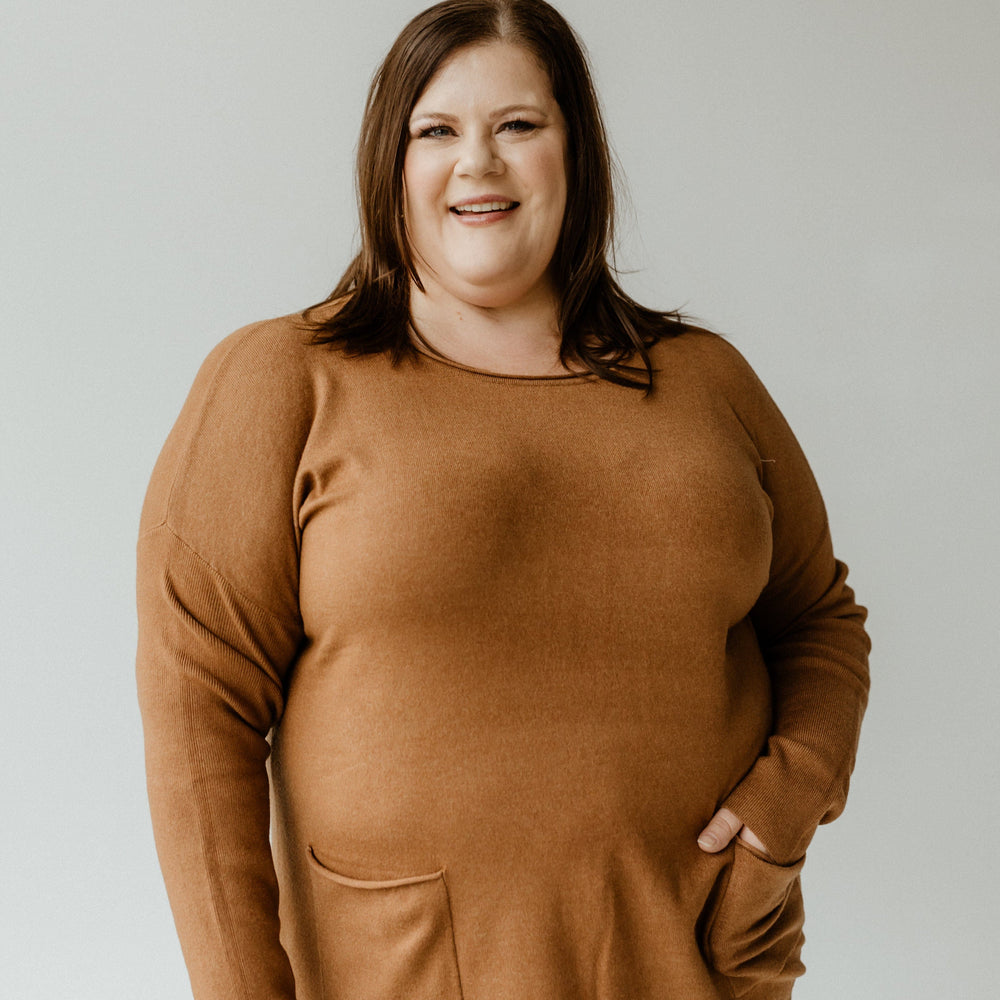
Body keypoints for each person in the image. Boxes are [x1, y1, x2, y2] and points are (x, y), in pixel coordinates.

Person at [135, 1, 870, 998]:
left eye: (517, 126)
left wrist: (789, 796)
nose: (476, 163)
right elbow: (199, 713)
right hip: (398, 972)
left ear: (576, 150)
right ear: (387, 165)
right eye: (434, 131)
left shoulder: (708, 382)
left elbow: (816, 617)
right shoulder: (282, 380)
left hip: (697, 962)